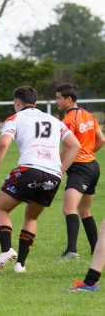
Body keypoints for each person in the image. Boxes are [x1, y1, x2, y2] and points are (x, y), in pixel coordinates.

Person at [0, 86, 81, 274]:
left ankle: (6, 250)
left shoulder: (15, 119)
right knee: (31, 216)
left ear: (17, 102)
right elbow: (75, 146)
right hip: (53, 175)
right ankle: (20, 264)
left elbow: (4, 143)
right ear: (35, 103)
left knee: (0, 208)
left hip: (29, 170)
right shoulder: (55, 121)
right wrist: (60, 170)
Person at [55, 83, 105, 258]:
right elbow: (101, 139)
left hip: (80, 170)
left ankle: (72, 250)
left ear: (69, 99)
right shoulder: (89, 115)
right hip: (93, 167)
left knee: (69, 209)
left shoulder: (68, 120)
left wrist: (59, 169)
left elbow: (67, 149)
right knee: (85, 212)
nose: (56, 101)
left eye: (59, 98)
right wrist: (88, 152)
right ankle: (96, 250)